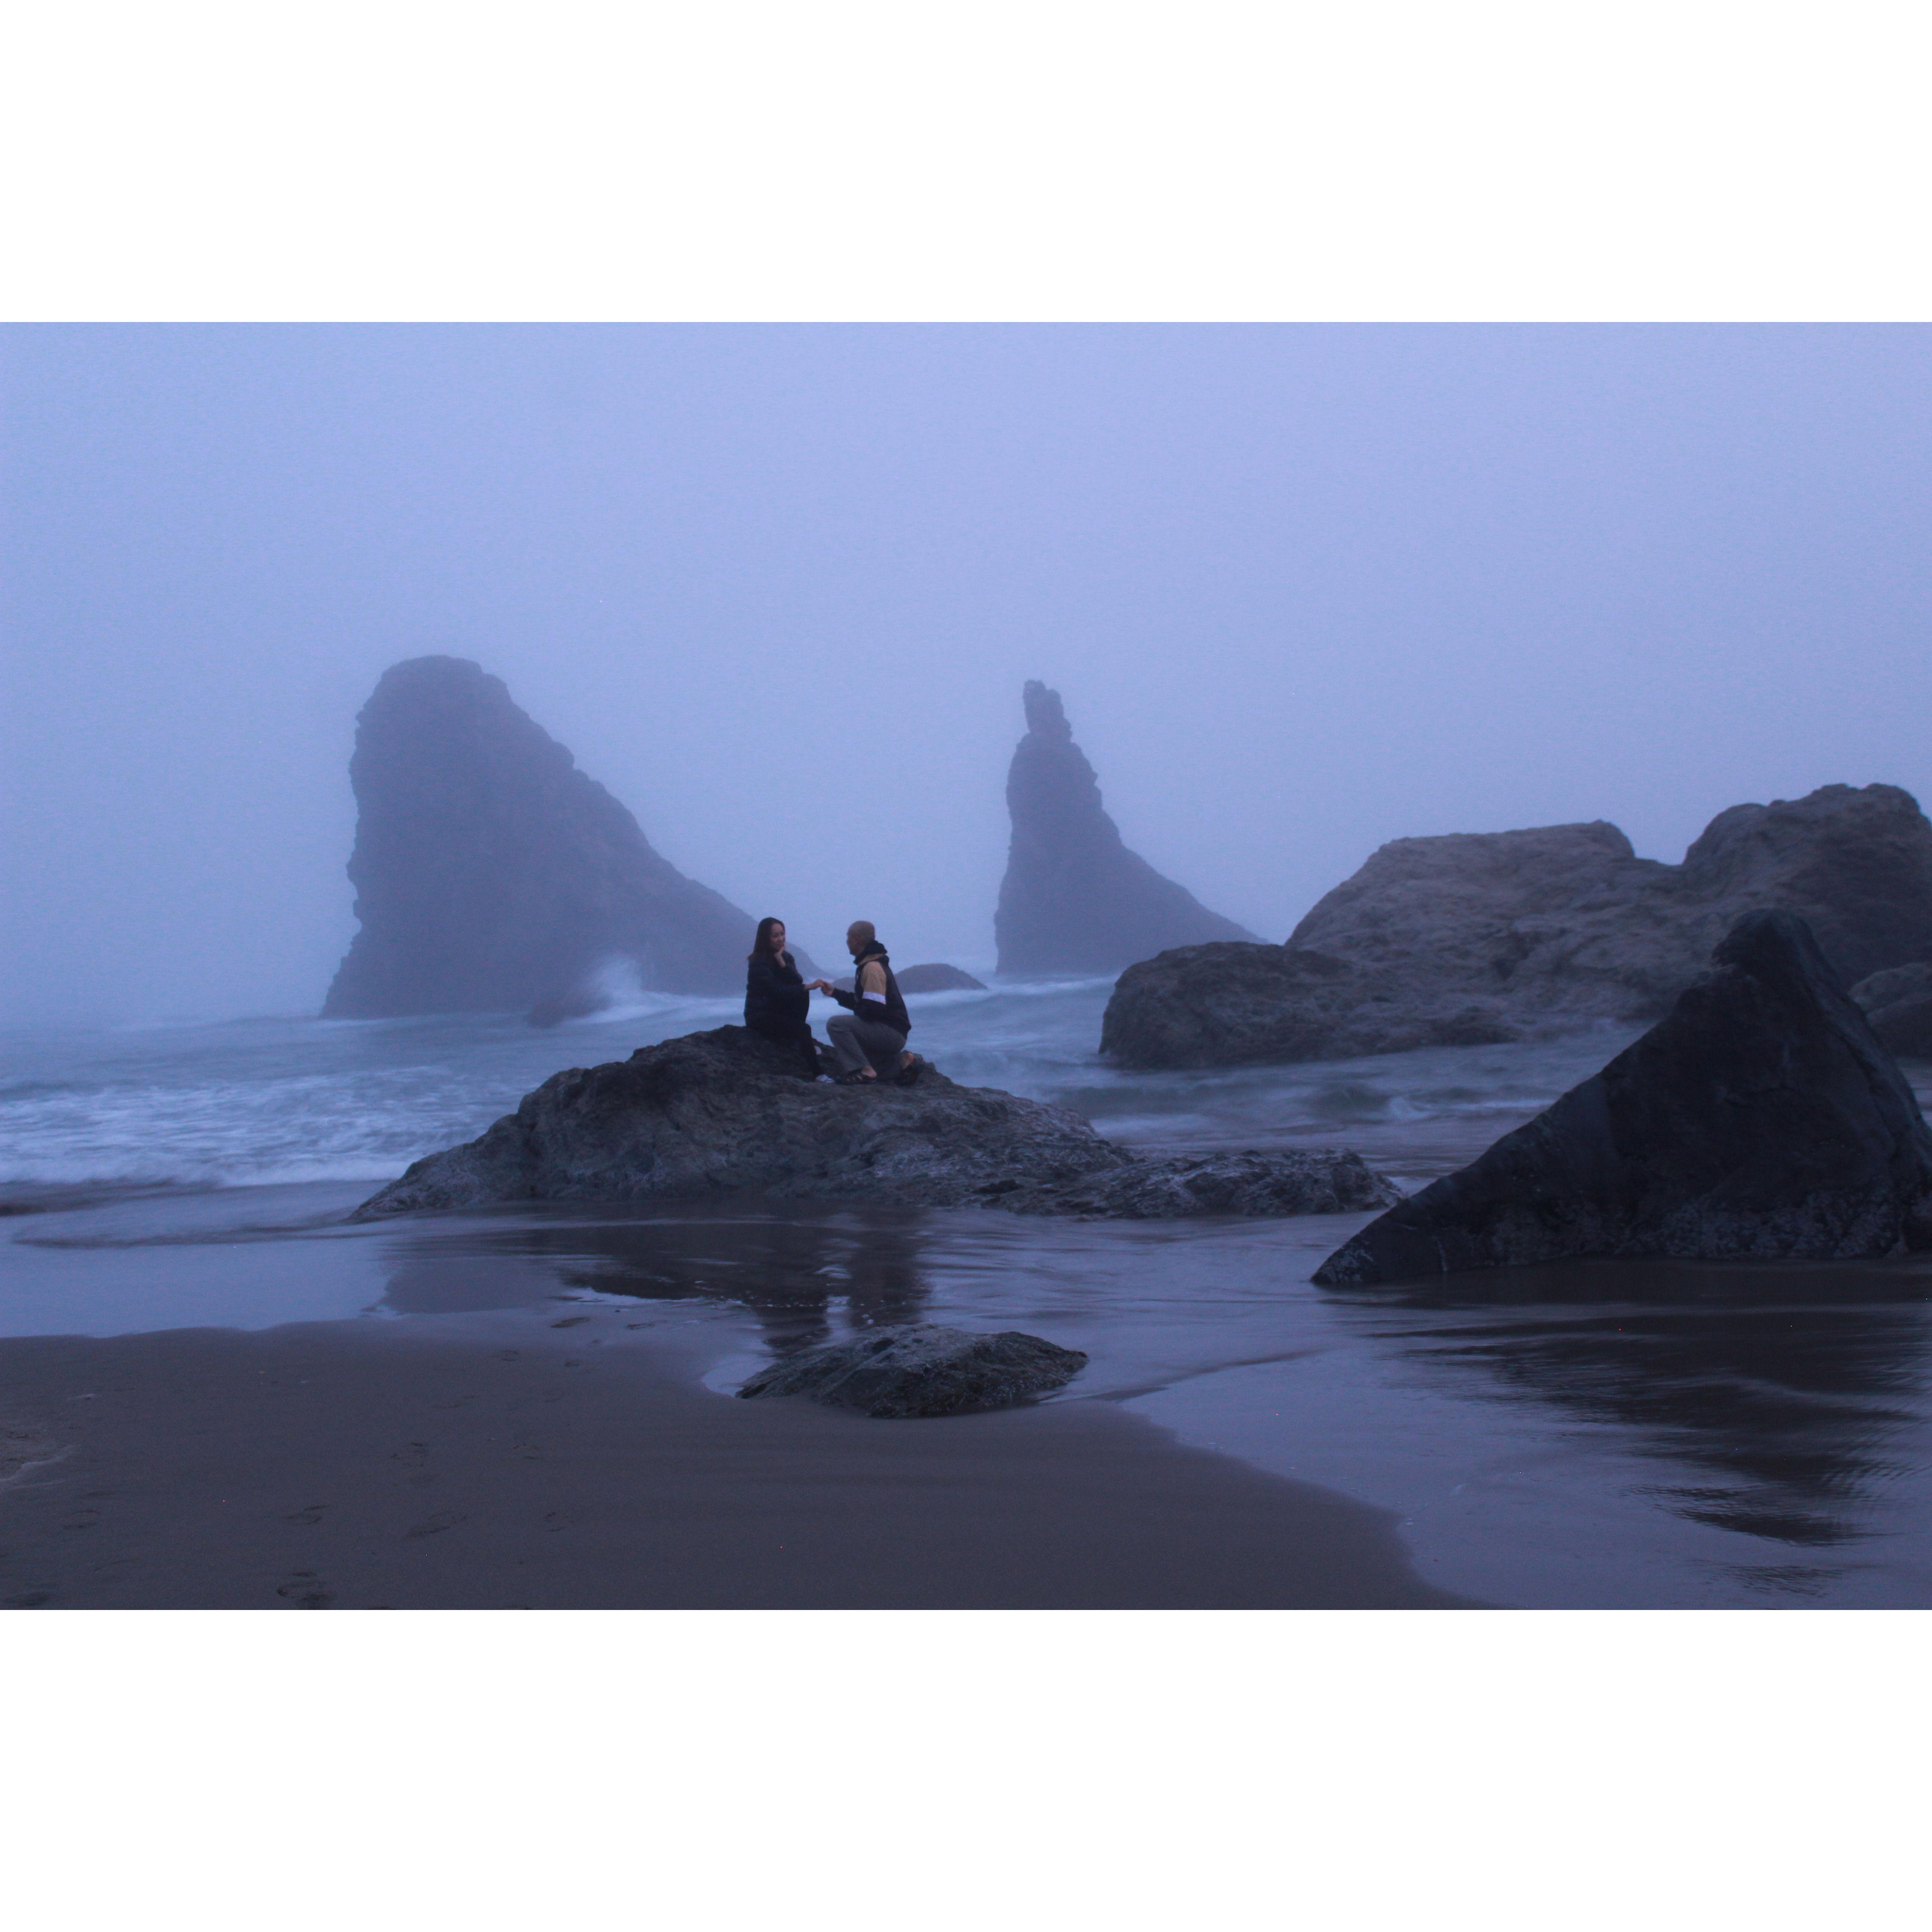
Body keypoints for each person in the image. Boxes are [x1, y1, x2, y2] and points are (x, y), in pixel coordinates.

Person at [812, 921, 919, 1085]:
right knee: (851, 1063)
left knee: (837, 1025)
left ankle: (866, 1072)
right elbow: (865, 1003)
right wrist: (835, 993)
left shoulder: (872, 967)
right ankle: (902, 1062)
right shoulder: (870, 964)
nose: (846, 941)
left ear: (856, 940)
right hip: (894, 1032)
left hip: (890, 1033)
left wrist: (855, 1025)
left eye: (848, 937)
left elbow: (873, 1010)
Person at [744, 918, 821, 1079]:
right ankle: (819, 1075)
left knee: (802, 993)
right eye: (775, 936)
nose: (781, 939)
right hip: (760, 1015)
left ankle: (797, 1036)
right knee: (804, 1029)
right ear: (766, 938)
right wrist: (805, 987)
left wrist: (781, 962)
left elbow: (796, 981)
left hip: (777, 1010)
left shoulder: (786, 957)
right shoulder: (758, 962)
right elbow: (774, 991)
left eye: (782, 934)